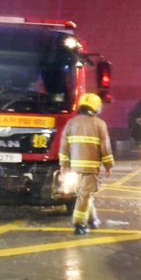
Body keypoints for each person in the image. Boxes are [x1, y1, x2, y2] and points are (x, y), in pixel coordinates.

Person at [59, 93, 114, 235]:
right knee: (85, 195)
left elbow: (64, 146)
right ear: (96, 107)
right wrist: (108, 166)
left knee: (84, 194)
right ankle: (79, 224)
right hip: (90, 168)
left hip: (74, 168)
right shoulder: (99, 124)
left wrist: (63, 165)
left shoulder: (71, 123)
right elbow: (105, 147)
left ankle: (92, 219)